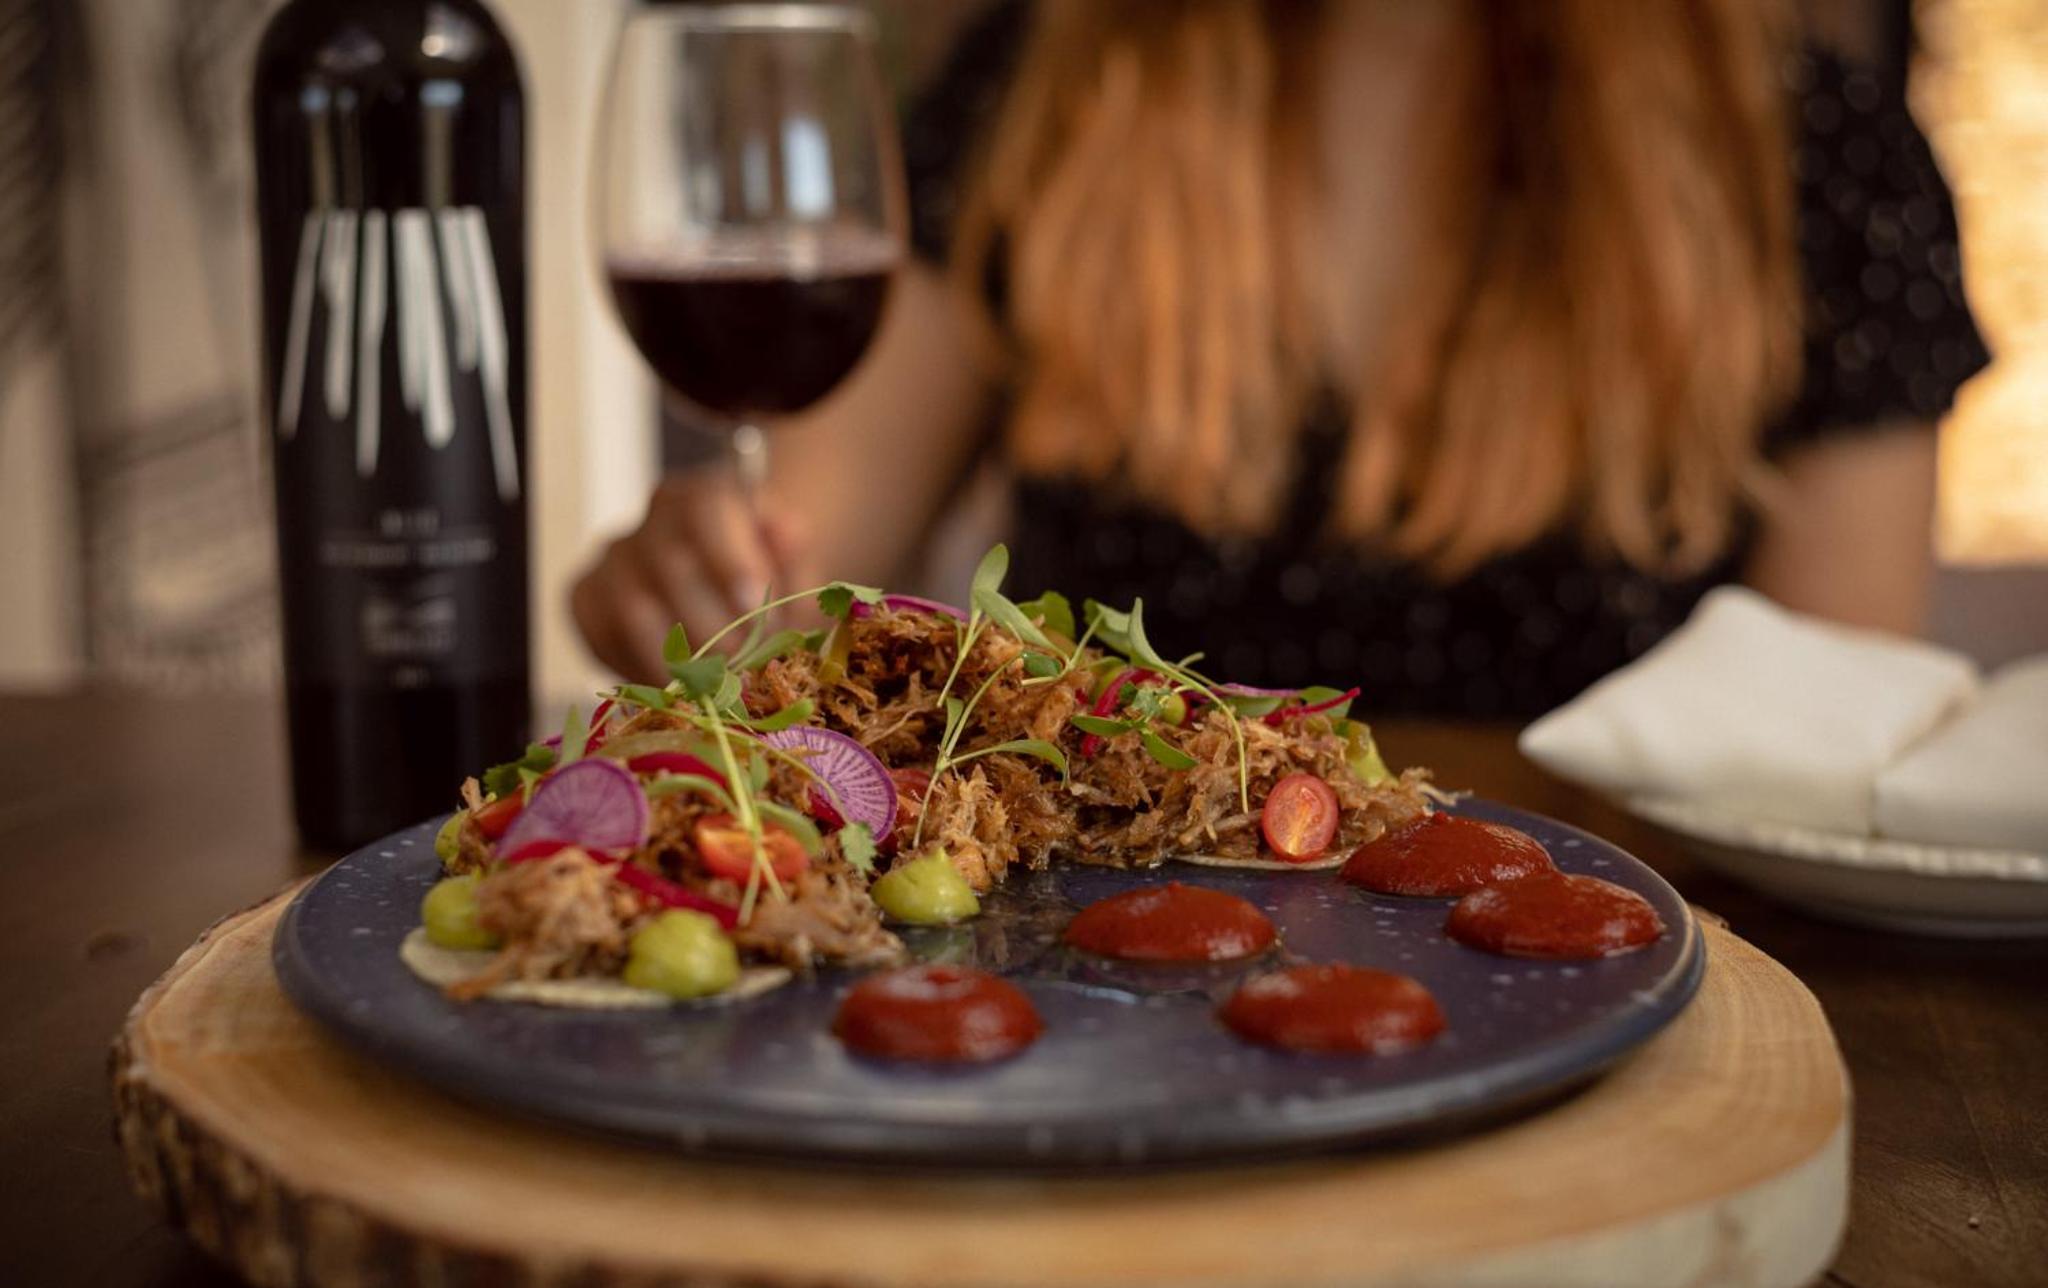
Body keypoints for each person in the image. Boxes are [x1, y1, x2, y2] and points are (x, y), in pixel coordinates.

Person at [572, 0, 1990, 717]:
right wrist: (690, 587)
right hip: (1103, 990)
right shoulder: (1042, 87)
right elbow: (788, 597)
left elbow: (1827, 744)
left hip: (1601, 995)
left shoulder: (1812, 157)